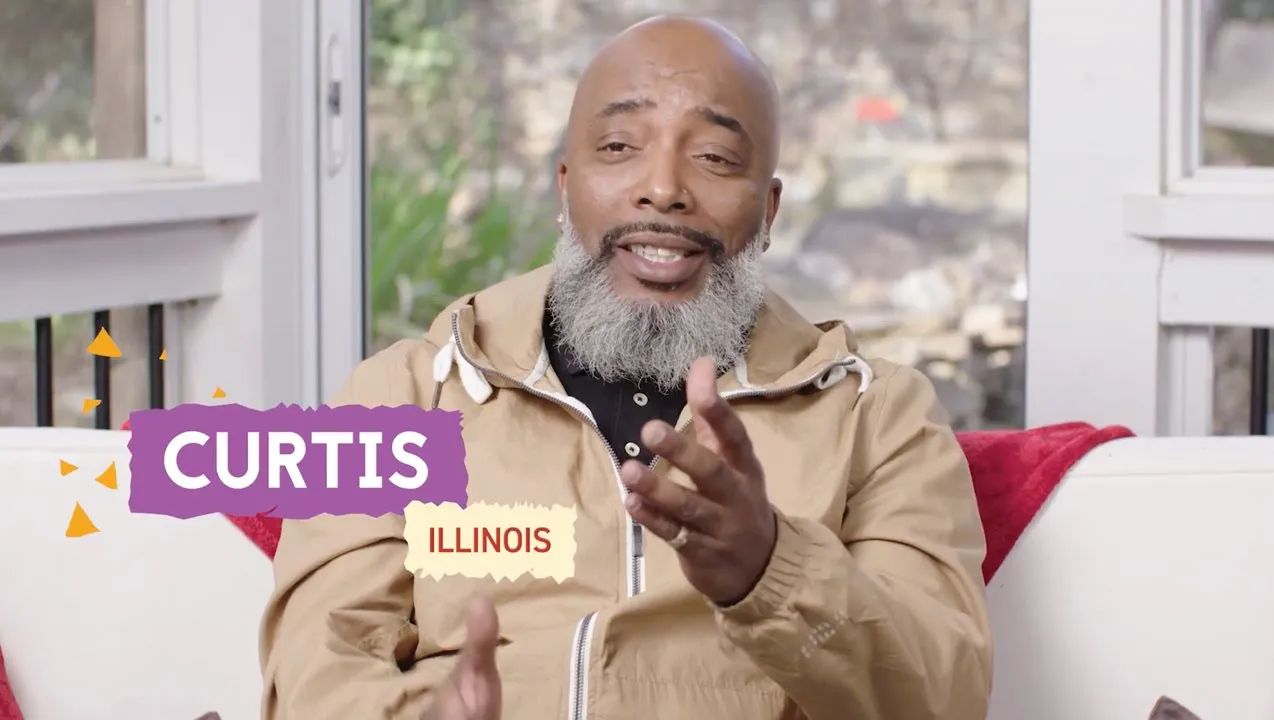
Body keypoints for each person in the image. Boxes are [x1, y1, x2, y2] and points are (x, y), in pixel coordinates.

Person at [261, 14, 992, 720]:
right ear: (565, 186)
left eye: (715, 157)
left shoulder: (878, 417)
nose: (663, 188)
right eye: (618, 146)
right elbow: (316, 674)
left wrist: (771, 569)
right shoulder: (400, 397)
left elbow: (944, 700)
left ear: (768, 212)